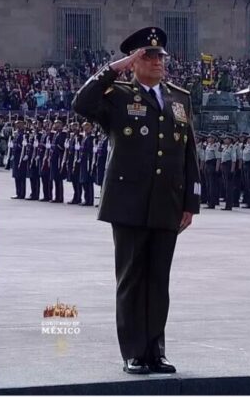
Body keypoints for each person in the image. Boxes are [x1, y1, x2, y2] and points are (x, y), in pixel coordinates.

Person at [72, 27, 201, 375]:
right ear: (134, 61)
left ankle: (155, 351)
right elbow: (80, 103)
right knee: (131, 279)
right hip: (128, 202)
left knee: (159, 280)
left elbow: (188, 151)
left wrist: (191, 201)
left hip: (167, 202)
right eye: (149, 55)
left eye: (161, 56)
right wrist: (113, 70)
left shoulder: (179, 98)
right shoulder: (116, 95)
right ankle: (133, 352)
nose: (158, 61)